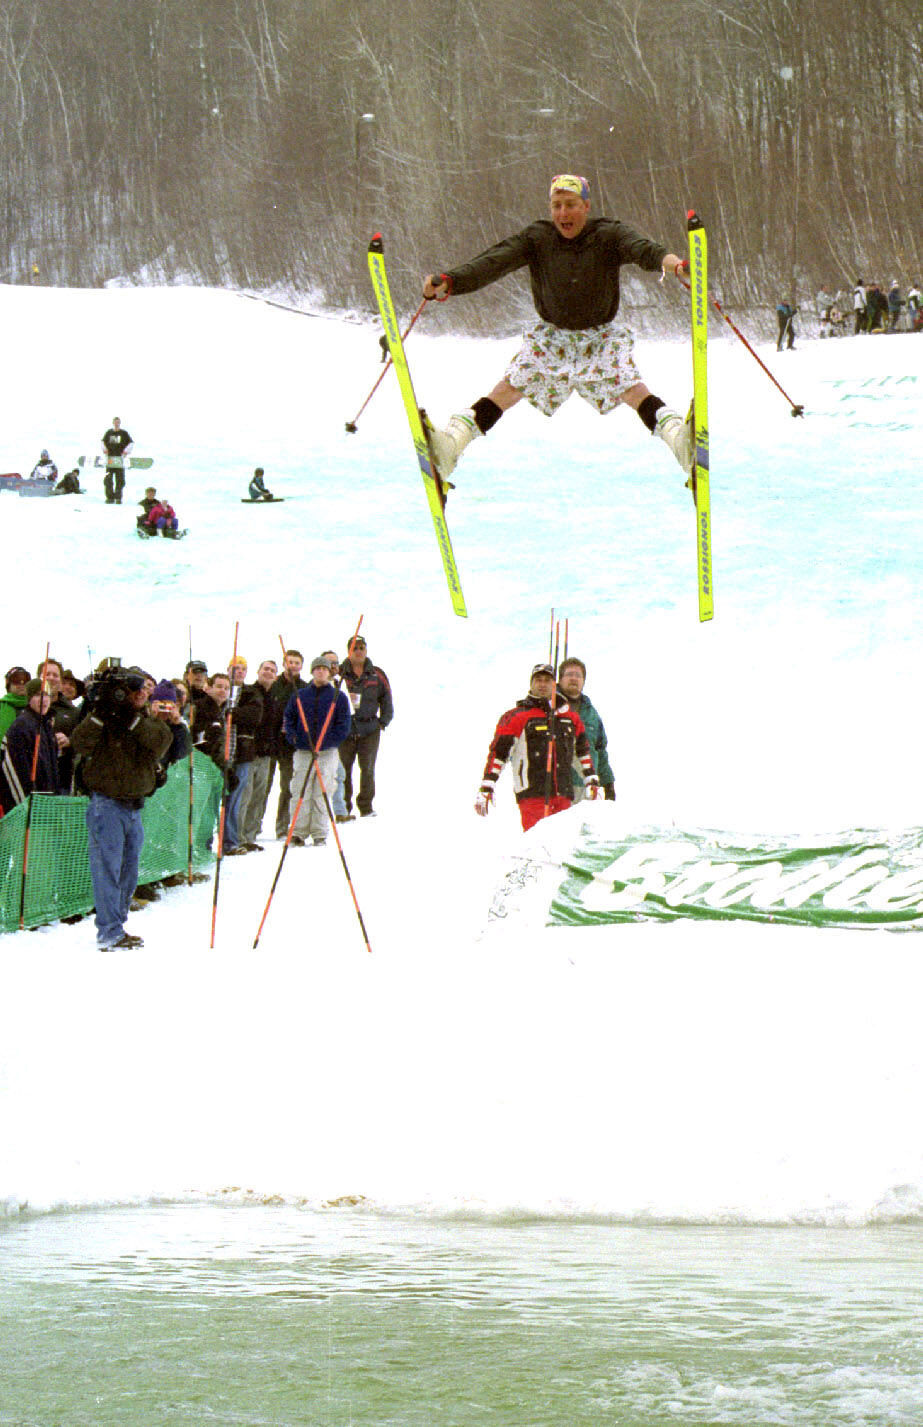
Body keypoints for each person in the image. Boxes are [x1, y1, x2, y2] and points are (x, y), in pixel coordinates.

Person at [420, 175, 693, 497]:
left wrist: (676, 266)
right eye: (557, 206)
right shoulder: (538, 238)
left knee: (631, 389)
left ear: (586, 206)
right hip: (552, 339)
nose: (563, 213)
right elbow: (494, 261)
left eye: (571, 205)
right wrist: (452, 281)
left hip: (600, 338)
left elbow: (645, 250)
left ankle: (681, 443)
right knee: (508, 388)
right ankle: (451, 446)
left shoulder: (608, 234)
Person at [70, 665, 172, 950]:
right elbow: (80, 742)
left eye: (143, 688)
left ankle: (117, 922)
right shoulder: (101, 717)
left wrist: (132, 720)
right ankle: (110, 930)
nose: (140, 694)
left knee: (129, 873)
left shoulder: (144, 721)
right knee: (106, 870)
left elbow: (161, 741)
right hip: (107, 806)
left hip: (135, 808)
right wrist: (101, 715)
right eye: (133, 688)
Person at [475, 663, 598, 830]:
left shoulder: (570, 717)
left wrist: (591, 780)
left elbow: (582, 753)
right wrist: (487, 785)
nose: (542, 684)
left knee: (563, 844)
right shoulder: (516, 716)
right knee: (537, 845)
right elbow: (499, 753)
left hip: (564, 795)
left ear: (555, 684)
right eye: (538, 680)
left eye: (547, 680)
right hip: (532, 795)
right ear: (531, 684)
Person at [283, 656, 352, 846]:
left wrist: (328, 742)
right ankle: (298, 832)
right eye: (317, 668)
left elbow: (344, 725)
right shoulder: (300, 694)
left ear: (329, 672)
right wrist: (294, 738)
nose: (321, 671)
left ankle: (319, 832)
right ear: (312, 671)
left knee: (322, 791)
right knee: (300, 790)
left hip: (326, 752)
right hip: (304, 750)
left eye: (324, 668)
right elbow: (288, 718)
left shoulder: (338, 696)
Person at [337, 635, 392, 818]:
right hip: (346, 729)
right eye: (355, 648)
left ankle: (366, 807)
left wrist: (382, 722)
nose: (358, 651)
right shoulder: (340, 673)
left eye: (362, 647)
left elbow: (386, 698)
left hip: (369, 729)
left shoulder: (376, 673)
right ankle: (344, 806)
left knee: (367, 768)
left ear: (366, 650)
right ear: (348, 652)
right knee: (343, 768)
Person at [557, 658, 615, 801]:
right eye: (569, 674)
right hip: (555, 789)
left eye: (578, 675)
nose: (574, 678)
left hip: (587, 788)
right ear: (560, 679)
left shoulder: (592, 714)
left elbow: (600, 751)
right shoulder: (548, 706)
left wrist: (609, 784)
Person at [0, 679, 62, 812]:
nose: (43, 699)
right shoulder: (21, 726)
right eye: (37, 695)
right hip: (26, 809)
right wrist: (25, 808)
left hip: (47, 807)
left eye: (46, 695)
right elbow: (13, 772)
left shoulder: (47, 726)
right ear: (28, 698)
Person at [236, 659, 278, 849]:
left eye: (272, 670)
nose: (268, 672)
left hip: (267, 753)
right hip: (248, 752)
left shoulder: (275, 697)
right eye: (265, 669)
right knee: (245, 794)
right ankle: (238, 836)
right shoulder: (249, 692)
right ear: (258, 671)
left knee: (259, 796)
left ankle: (250, 835)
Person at [269, 650, 307, 837]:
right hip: (269, 743)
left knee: (288, 787)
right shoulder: (273, 684)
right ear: (284, 664)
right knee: (262, 788)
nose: (293, 665)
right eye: (290, 662)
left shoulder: (305, 688)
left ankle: (283, 827)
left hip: (289, 746)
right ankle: (251, 826)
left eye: (296, 663)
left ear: (301, 666)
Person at [321, 649, 351, 821]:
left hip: (336, 738)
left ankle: (340, 811)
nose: (333, 666)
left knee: (339, 774)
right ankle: (328, 813)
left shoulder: (341, 685)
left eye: (335, 663)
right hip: (320, 739)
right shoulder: (318, 686)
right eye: (329, 662)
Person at [100, 416, 133, 504]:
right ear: (113, 423)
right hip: (110, 459)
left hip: (120, 459)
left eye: (118, 422)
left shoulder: (124, 433)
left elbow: (131, 443)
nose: (116, 423)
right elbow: (103, 442)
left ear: (119, 423)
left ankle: (118, 497)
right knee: (108, 479)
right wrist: (104, 450)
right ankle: (110, 497)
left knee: (120, 480)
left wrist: (126, 451)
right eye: (115, 422)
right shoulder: (109, 433)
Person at [0, 666, 30, 742]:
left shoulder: (36, 707)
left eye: (26, 680)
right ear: (8, 686)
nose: (21, 683)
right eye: (16, 680)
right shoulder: (1, 706)